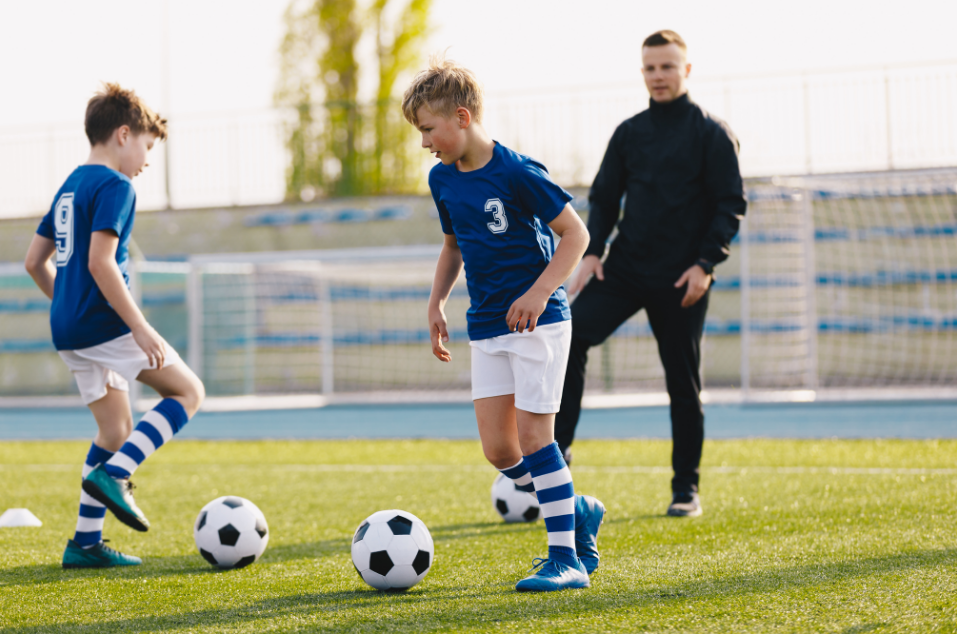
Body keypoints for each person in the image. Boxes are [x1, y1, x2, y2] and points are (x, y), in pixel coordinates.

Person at [402, 56, 605, 592]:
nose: (424, 142)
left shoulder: (516, 172)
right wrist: (436, 302)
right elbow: (452, 245)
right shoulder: (442, 179)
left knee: (538, 438)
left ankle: (566, 560)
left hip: (538, 322)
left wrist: (540, 292)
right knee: (500, 451)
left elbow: (577, 237)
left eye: (428, 129)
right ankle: (577, 507)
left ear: (462, 117)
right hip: (486, 326)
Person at [555, 30, 746, 518]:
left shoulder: (712, 133)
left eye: (666, 66)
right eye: (650, 68)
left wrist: (705, 265)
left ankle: (686, 489)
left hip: (681, 279)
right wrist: (593, 252)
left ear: (686, 69)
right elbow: (603, 197)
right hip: (623, 270)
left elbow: (729, 205)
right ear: (642, 72)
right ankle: (556, 460)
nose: (657, 76)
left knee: (683, 383)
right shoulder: (629, 132)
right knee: (570, 339)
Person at [24, 84, 206, 568]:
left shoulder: (69, 186)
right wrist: (141, 327)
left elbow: (33, 262)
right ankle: (117, 476)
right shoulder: (117, 186)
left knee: (115, 427)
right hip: (104, 324)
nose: (146, 160)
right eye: (147, 147)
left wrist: (68, 304)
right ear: (124, 134)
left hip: (67, 329)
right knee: (188, 392)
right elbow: (102, 263)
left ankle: (84, 544)